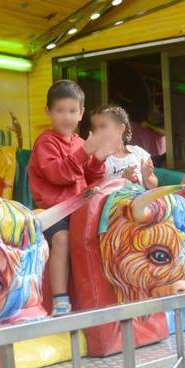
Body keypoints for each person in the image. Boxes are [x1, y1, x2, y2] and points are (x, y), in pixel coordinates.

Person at [28, 80, 120, 315]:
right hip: (54, 211)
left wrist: (98, 159)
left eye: (72, 111)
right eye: (60, 110)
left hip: (79, 209)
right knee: (61, 238)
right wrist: (86, 152)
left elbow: (91, 176)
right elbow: (58, 174)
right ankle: (60, 297)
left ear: (80, 113)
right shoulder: (45, 142)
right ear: (48, 111)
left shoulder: (80, 142)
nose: (66, 117)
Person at [95, 105, 158, 189]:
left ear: (121, 129)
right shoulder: (101, 160)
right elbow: (100, 192)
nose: (98, 132)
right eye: (96, 128)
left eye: (103, 127)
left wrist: (147, 176)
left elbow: (153, 185)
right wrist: (123, 181)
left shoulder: (138, 153)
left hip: (142, 199)